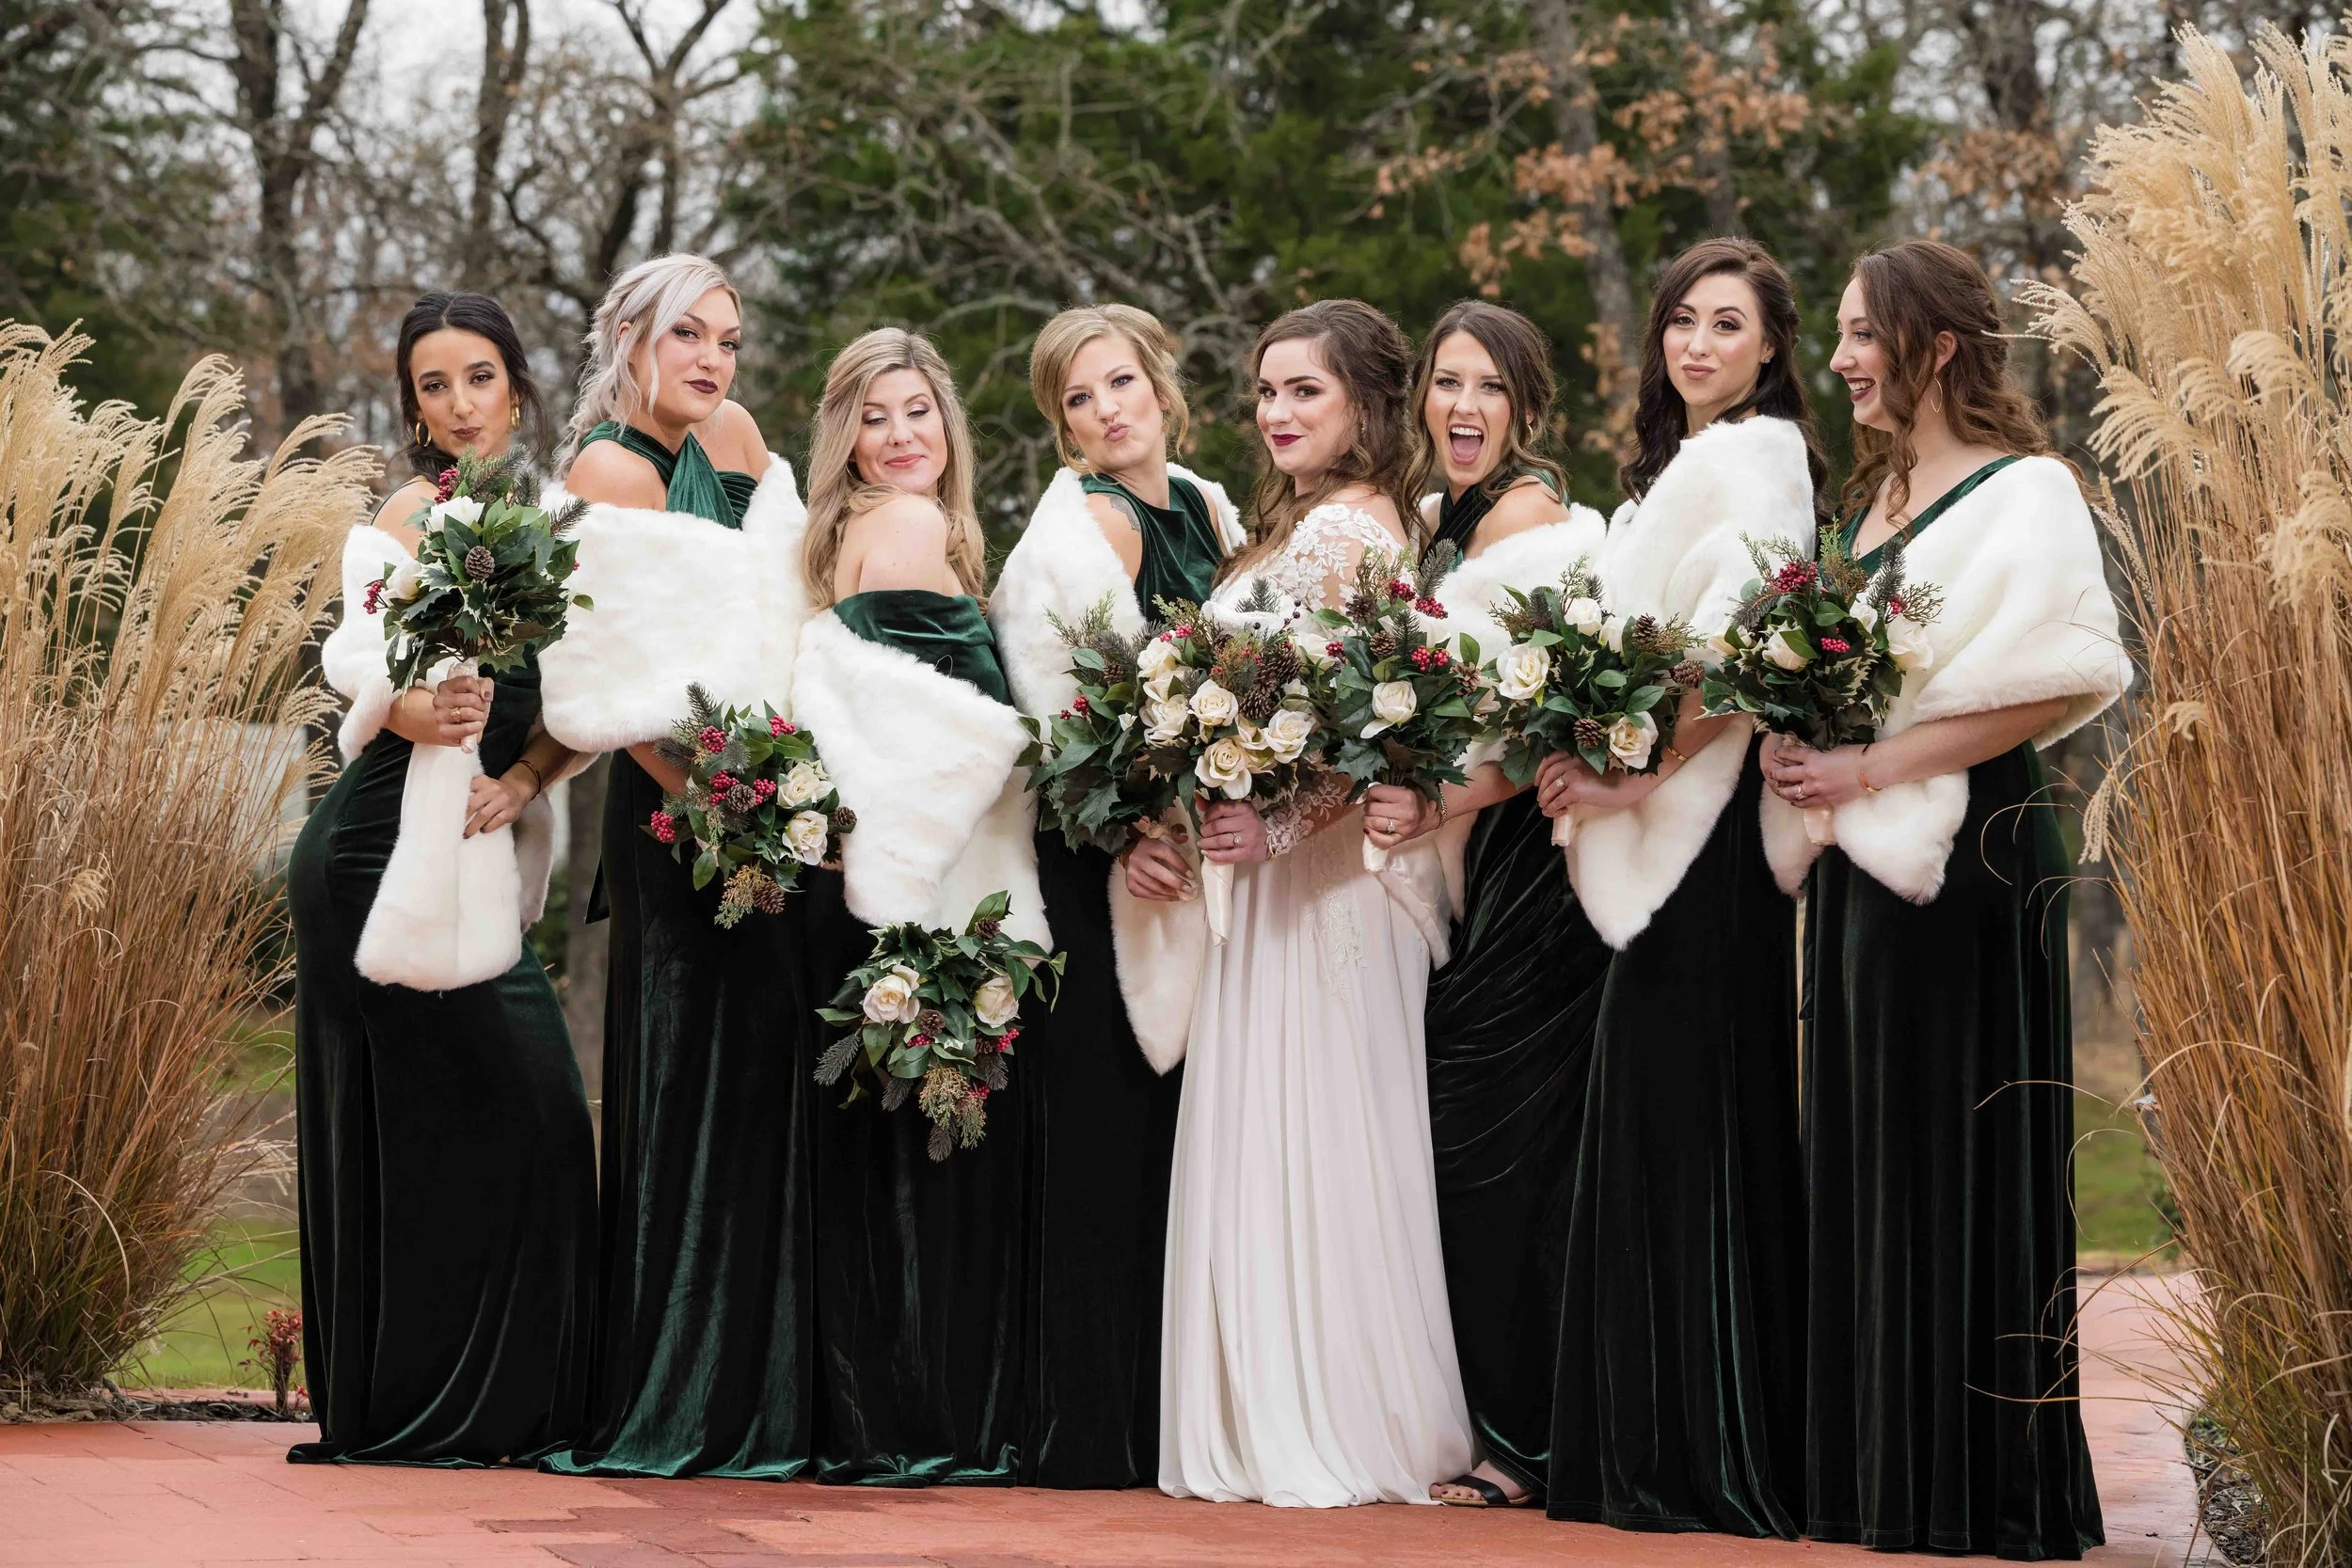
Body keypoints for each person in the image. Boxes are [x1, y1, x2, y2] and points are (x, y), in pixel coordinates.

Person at [1763, 237, 2127, 1560]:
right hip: (1861, 860)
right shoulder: (1868, 504)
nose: (1843, 358)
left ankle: (1974, 1483)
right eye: (1844, 333)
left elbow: (2057, 678)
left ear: (1940, 347)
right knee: (1868, 1137)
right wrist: (1798, 739)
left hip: (1972, 855)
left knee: (1956, 1137)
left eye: (1865, 334)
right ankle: (1879, 1473)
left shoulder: (2029, 490)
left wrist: (1869, 765)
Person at [1159, 298, 1473, 1508]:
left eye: (1306, 390)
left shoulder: (1347, 530)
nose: (1276, 412)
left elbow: (1369, 723)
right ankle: (1283, 1403)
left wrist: (1275, 825)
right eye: (1266, 390)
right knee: (1274, 1133)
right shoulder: (1299, 525)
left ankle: (1333, 1414)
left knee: (1321, 1139)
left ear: (1365, 404)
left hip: (1325, 888)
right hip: (1272, 878)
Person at [1534, 237, 1819, 1535]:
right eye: (1682, 321)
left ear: (1770, 347)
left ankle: (1702, 1456)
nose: (1698, 343)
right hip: (1665, 838)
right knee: (1661, 1119)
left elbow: (1753, 658)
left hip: (1704, 843)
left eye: (1727, 323)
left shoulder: (1757, 458)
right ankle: (1655, 1443)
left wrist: (1637, 774)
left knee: (1691, 1117)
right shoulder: (1672, 473)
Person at [291, 290, 595, 1465]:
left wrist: (522, 775)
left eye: (479, 376)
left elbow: (592, 702)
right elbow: (358, 666)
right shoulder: (411, 517)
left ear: (516, 387)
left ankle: (488, 1404)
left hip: (469, 853)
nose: (461, 403)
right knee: (435, 1123)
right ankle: (420, 1405)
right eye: (434, 385)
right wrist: (417, 708)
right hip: (376, 856)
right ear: (414, 410)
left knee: (529, 1125)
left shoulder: (560, 522)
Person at [534, 253, 815, 1481]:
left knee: (769, 1084)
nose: (711, 358)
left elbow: (782, 602)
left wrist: (797, 779)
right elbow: (616, 685)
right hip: (678, 813)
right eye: (686, 334)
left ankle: (770, 1388)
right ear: (630, 338)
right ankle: (681, 1393)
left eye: (728, 338)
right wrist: (729, 807)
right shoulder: (607, 469)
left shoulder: (738, 436)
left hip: (772, 792)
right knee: (691, 1081)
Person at [1357, 300, 1613, 1509]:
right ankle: (1502, 1418)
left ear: (1525, 407)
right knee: (1475, 1137)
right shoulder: (1434, 524)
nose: (1464, 406)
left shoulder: (1531, 522)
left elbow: (1548, 720)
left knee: (1492, 1137)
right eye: (1448, 382)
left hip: (1535, 872)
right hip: (1473, 867)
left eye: (1490, 387)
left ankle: (1528, 1439)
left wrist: (1439, 800)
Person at [787, 326, 1047, 1486]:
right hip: (926, 888)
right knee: (935, 1153)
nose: (900, 437)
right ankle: (932, 1414)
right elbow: (935, 736)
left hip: (894, 883)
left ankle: (892, 1409)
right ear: (845, 438)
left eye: (918, 412)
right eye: (874, 417)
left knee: (896, 1151)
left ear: (949, 421)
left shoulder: (873, 529)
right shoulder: (903, 526)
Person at [989, 305, 1245, 1487]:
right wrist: (1123, 830)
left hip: (1194, 862)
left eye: (1120, 383)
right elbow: (1052, 716)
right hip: (1105, 871)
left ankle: (1166, 1412)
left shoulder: (1205, 504)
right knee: (1108, 1139)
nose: (1106, 411)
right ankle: (1090, 1428)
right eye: (1078, 399)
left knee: (1177, 1141)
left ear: (1160, 384)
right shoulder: (1091, 526)